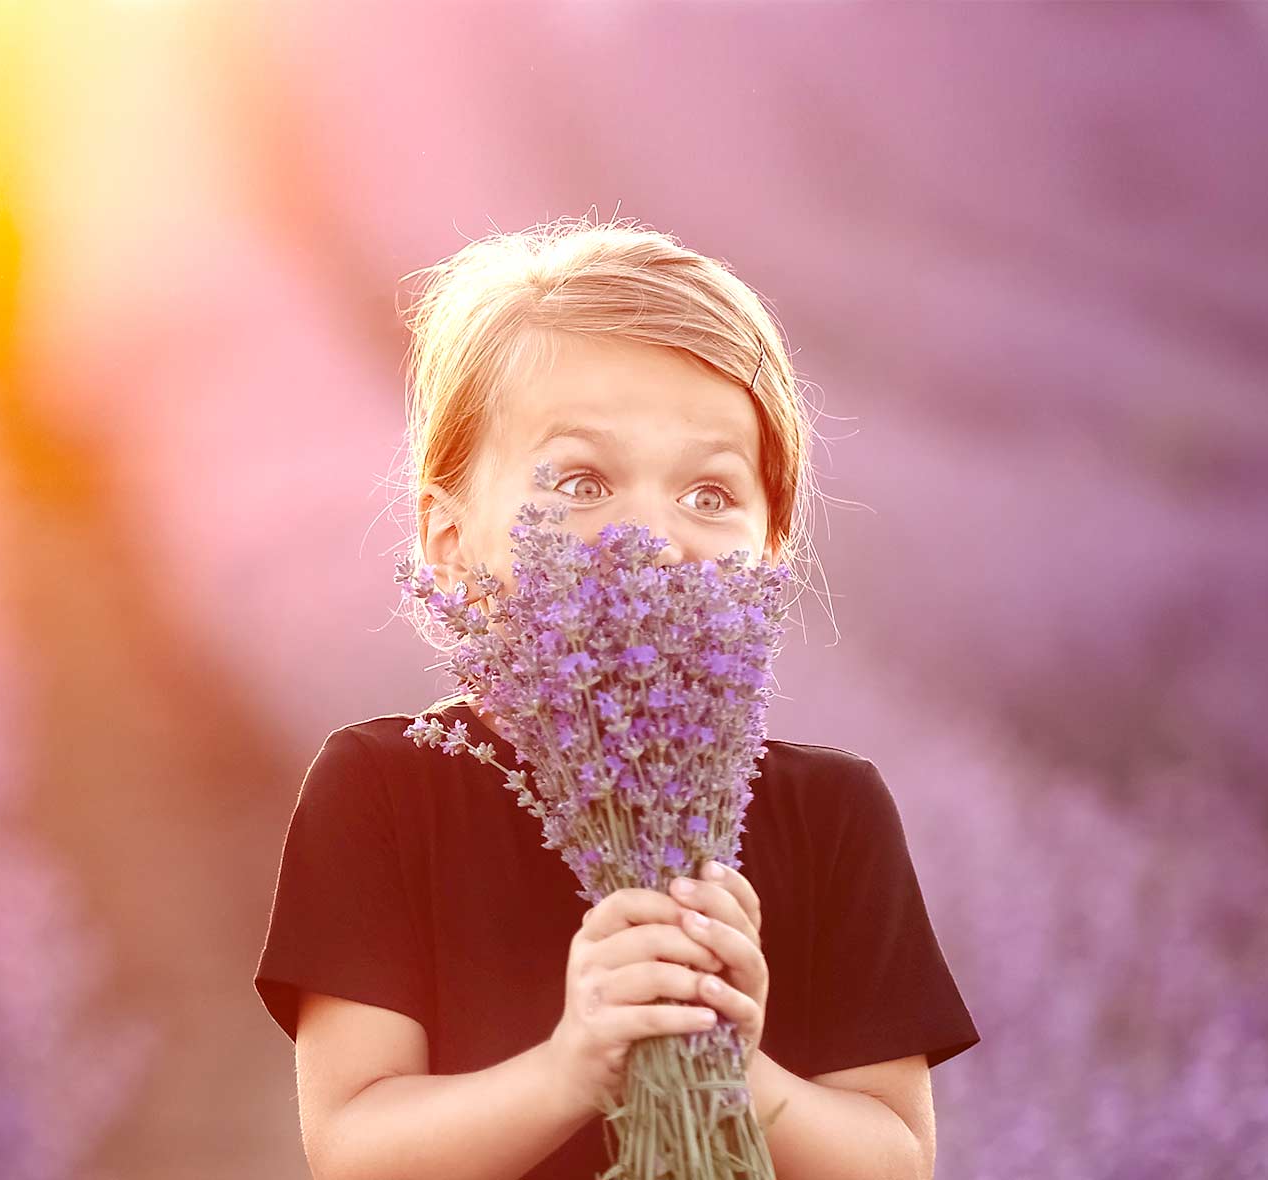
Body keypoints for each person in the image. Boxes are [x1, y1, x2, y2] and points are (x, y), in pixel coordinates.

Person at [253, 217, 978, 1180]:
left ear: (772, 552)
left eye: (712, 495)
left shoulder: (832, 814)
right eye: (583, 480)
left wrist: (734, 1070)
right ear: (448, 535)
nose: (649, 533)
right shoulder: (384, 790)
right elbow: (354, 1151)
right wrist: (573, 1065)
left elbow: (896, 1159)